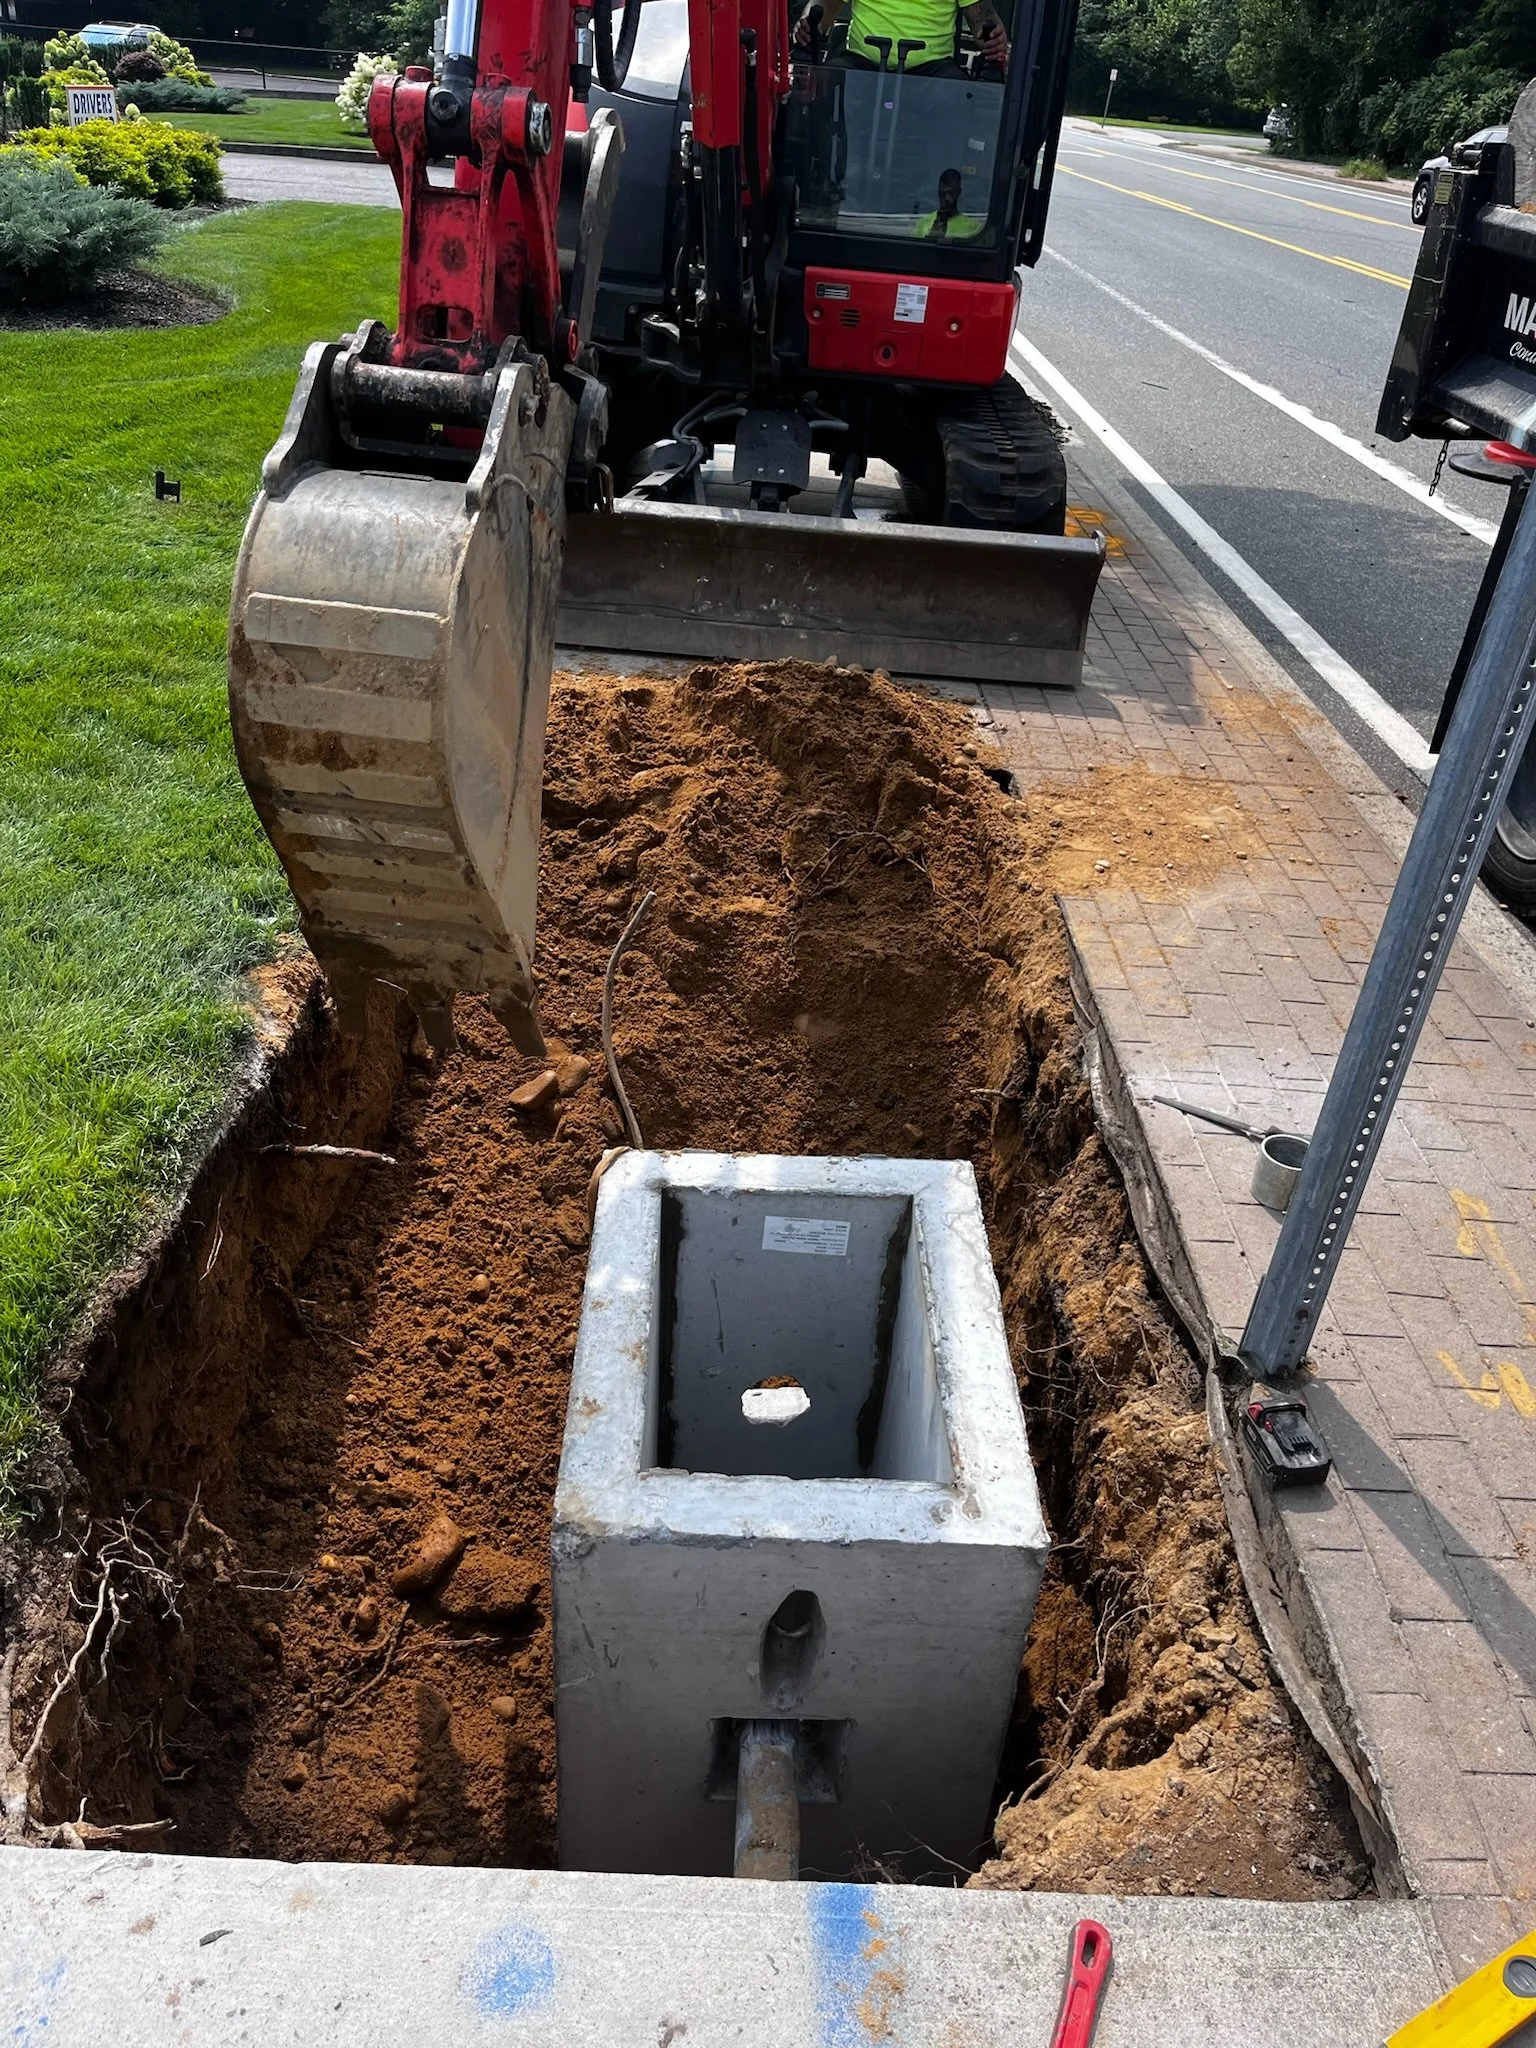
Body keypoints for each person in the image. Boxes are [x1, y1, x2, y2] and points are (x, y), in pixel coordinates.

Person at [793, 0, 1008, 76]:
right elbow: (824, 4)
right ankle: (827, 168)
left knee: (956, 98)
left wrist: (993, 38)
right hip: (861, 64)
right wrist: (809, 22)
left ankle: (944, 170)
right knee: (829, 82)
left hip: (933, 71)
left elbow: (982, 17)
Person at [913, 165, 984, 236]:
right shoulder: (922, 224)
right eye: (943, 194)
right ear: (938, 193)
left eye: (951, 193)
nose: (946, 198)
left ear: (958, 193)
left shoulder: (973, 227)